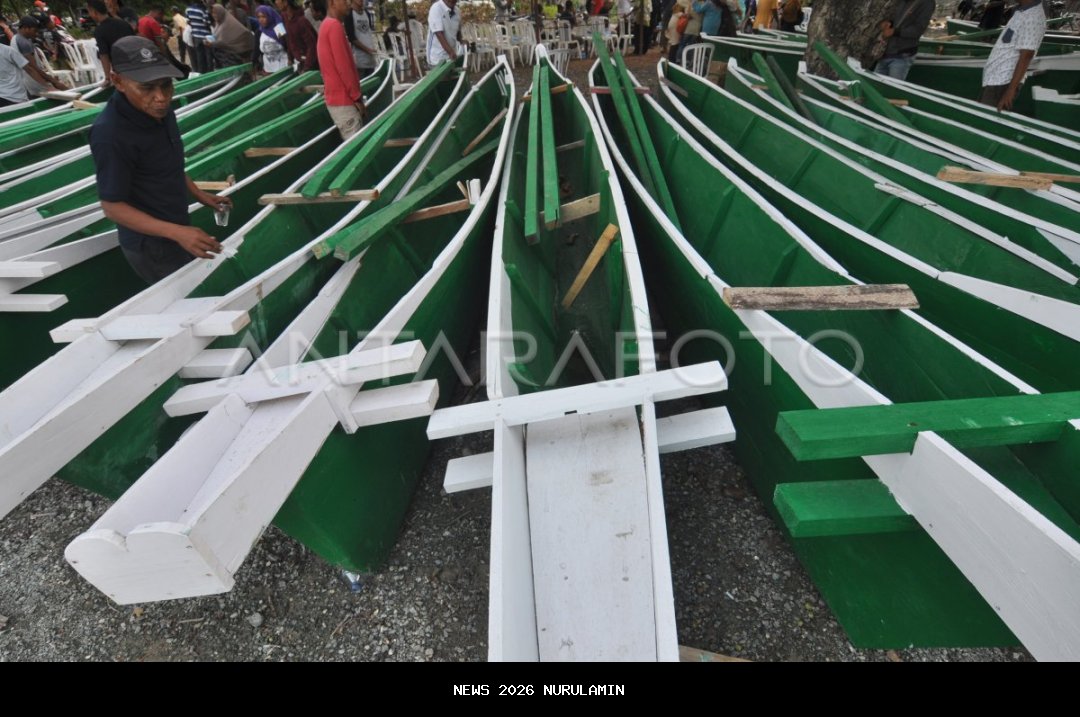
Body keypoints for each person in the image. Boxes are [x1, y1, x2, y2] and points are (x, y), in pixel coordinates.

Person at [90, 36, 231, 283]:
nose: (161, 97)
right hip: (152, 245)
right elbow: (112, 207)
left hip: (176, 224)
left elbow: (167, 164)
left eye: (166, 85)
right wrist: (177, 233)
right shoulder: (111, 135)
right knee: (187, 292)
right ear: (118, 81)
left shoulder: (160, 111)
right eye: (146, 88)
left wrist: (198, 194)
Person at [979, 0, 1045, 111]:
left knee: (986, 117)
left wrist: (1010, 91)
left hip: (1003, 82)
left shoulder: (1033, 18)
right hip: (995, 79)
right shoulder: (1022, 10)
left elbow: (1026, 56)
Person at [317, 0, 366, 138]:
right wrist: (357, 98)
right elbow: (344, 68)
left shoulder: (326, 25)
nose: (348, 3)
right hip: (344, 99)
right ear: (332, 2)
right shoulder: (334, 26)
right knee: (356, 145)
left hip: (336, 97)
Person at [0, 27, 62, 105]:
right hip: (15, 97)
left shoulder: (9, 49)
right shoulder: (8, 51)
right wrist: (48, 87)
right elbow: (30, 70)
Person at [874, 0, 934, 81]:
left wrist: (894, 31)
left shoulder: (927, 3)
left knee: (894, 87)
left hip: (902, 55)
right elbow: (895, 17)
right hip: (886, 52)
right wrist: (888, 23)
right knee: (876, 84)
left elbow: (918, 29)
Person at [88, 0, 135, 84]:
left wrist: (107, 78)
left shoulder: (99, 30)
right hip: (136, 63)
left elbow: (104, 55)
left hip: (121, 69)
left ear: (94, 12)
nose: (90, 15)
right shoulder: (123, 23)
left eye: (89, 12)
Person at [276, 0, 318, 70]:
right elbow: (288, 39)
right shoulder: (284, 17)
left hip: (311, 63)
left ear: (286, 2)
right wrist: (290, 58)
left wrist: (306, 67)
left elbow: (311, 46)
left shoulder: (301, 21)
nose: (276, 2)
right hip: (300, 61)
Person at [345, 0, 376, 77]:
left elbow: (368, 33)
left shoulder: (367, 13)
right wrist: (367, 49)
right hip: (359, 60)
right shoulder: (349, 14)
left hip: (371, 58)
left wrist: (371, 49)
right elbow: (352, 38)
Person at [255, 4, 288, 72]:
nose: (261, 19)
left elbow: (287, 43)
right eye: (259, 17)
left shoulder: (278, 28)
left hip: (284, 65)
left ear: (270, 16)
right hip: (268, 68)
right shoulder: (259, 31)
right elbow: (256, 48)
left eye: (264, 16)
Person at [426, 0, 459, 67]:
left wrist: (461, 40)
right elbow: (439, 33)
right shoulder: (436, 8)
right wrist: (450, 51)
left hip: (451, 56)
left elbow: (458, 30)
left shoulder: (457, 11)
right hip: (437, 58)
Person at [186, 0, 212, 72]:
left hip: (195, 36)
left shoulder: (188, 9)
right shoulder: (203, 10)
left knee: (199, 55)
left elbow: (188, 21)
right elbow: (207, 23)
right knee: (209, 55)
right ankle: (210, 71)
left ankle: (202, 71)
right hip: (206, 35)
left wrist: (195, 27)